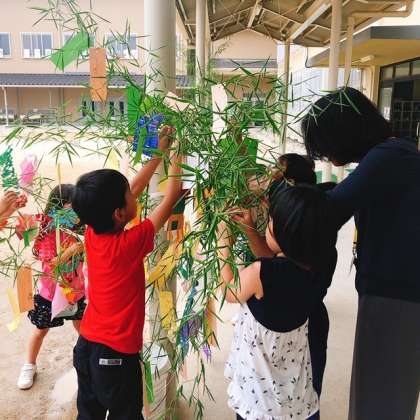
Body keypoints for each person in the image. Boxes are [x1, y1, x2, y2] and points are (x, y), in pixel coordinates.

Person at [301, 86, 420, 420]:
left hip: (398, 296)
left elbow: (327, 211)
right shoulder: (392, 154)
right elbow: (338, 195)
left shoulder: (388, 157)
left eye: (324, 146)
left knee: (380, 399)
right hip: (393, 292)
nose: (325, 156)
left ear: (343, 135)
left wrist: (283, 202)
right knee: (378, 392)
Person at [71, 126, 182, 420]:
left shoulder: (92, 231)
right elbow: (171, 198)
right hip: (116, 356)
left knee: (89, 416)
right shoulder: (129, 244)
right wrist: (177, 153)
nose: (135, 194)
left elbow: (134, 186)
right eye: (129, 196)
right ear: (119, 213)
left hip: (86, 347)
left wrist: (158, 152)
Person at [218, 185, 337, 420]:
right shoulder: (317, 268)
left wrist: (223, 245)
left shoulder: (259, 273)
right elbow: (278, 262)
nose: (268, 224)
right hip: (295, 399)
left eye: (271, 221)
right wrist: (250, 230)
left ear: (285, 232)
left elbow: (230, 292)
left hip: (258, 400)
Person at [17, 184, 85, 390]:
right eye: (72, 206)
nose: (76, 211)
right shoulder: (46, 229)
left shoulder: (80, 227)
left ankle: (90, 357)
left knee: (83, 327)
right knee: (41, 329)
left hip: (75, 292)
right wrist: (72, 251)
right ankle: (29, 364)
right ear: (57, 206)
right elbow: (51, 262)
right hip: (50, 293)